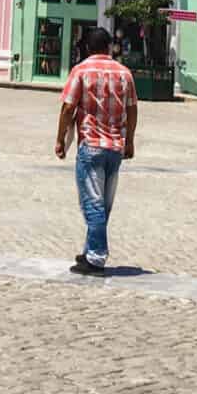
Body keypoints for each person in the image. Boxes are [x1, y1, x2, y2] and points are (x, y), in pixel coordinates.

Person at [54, 27, 139, 275]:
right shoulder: (124, 74)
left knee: (92, 203)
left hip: (91, 145)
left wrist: (60, 140)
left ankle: (96, 258)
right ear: (109, 46)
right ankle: (90, 248)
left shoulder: (81, 71)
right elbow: (132, 109)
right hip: (115, 147)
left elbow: (68, 108)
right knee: (103, 203)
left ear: (88, 48)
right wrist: (130, 141)